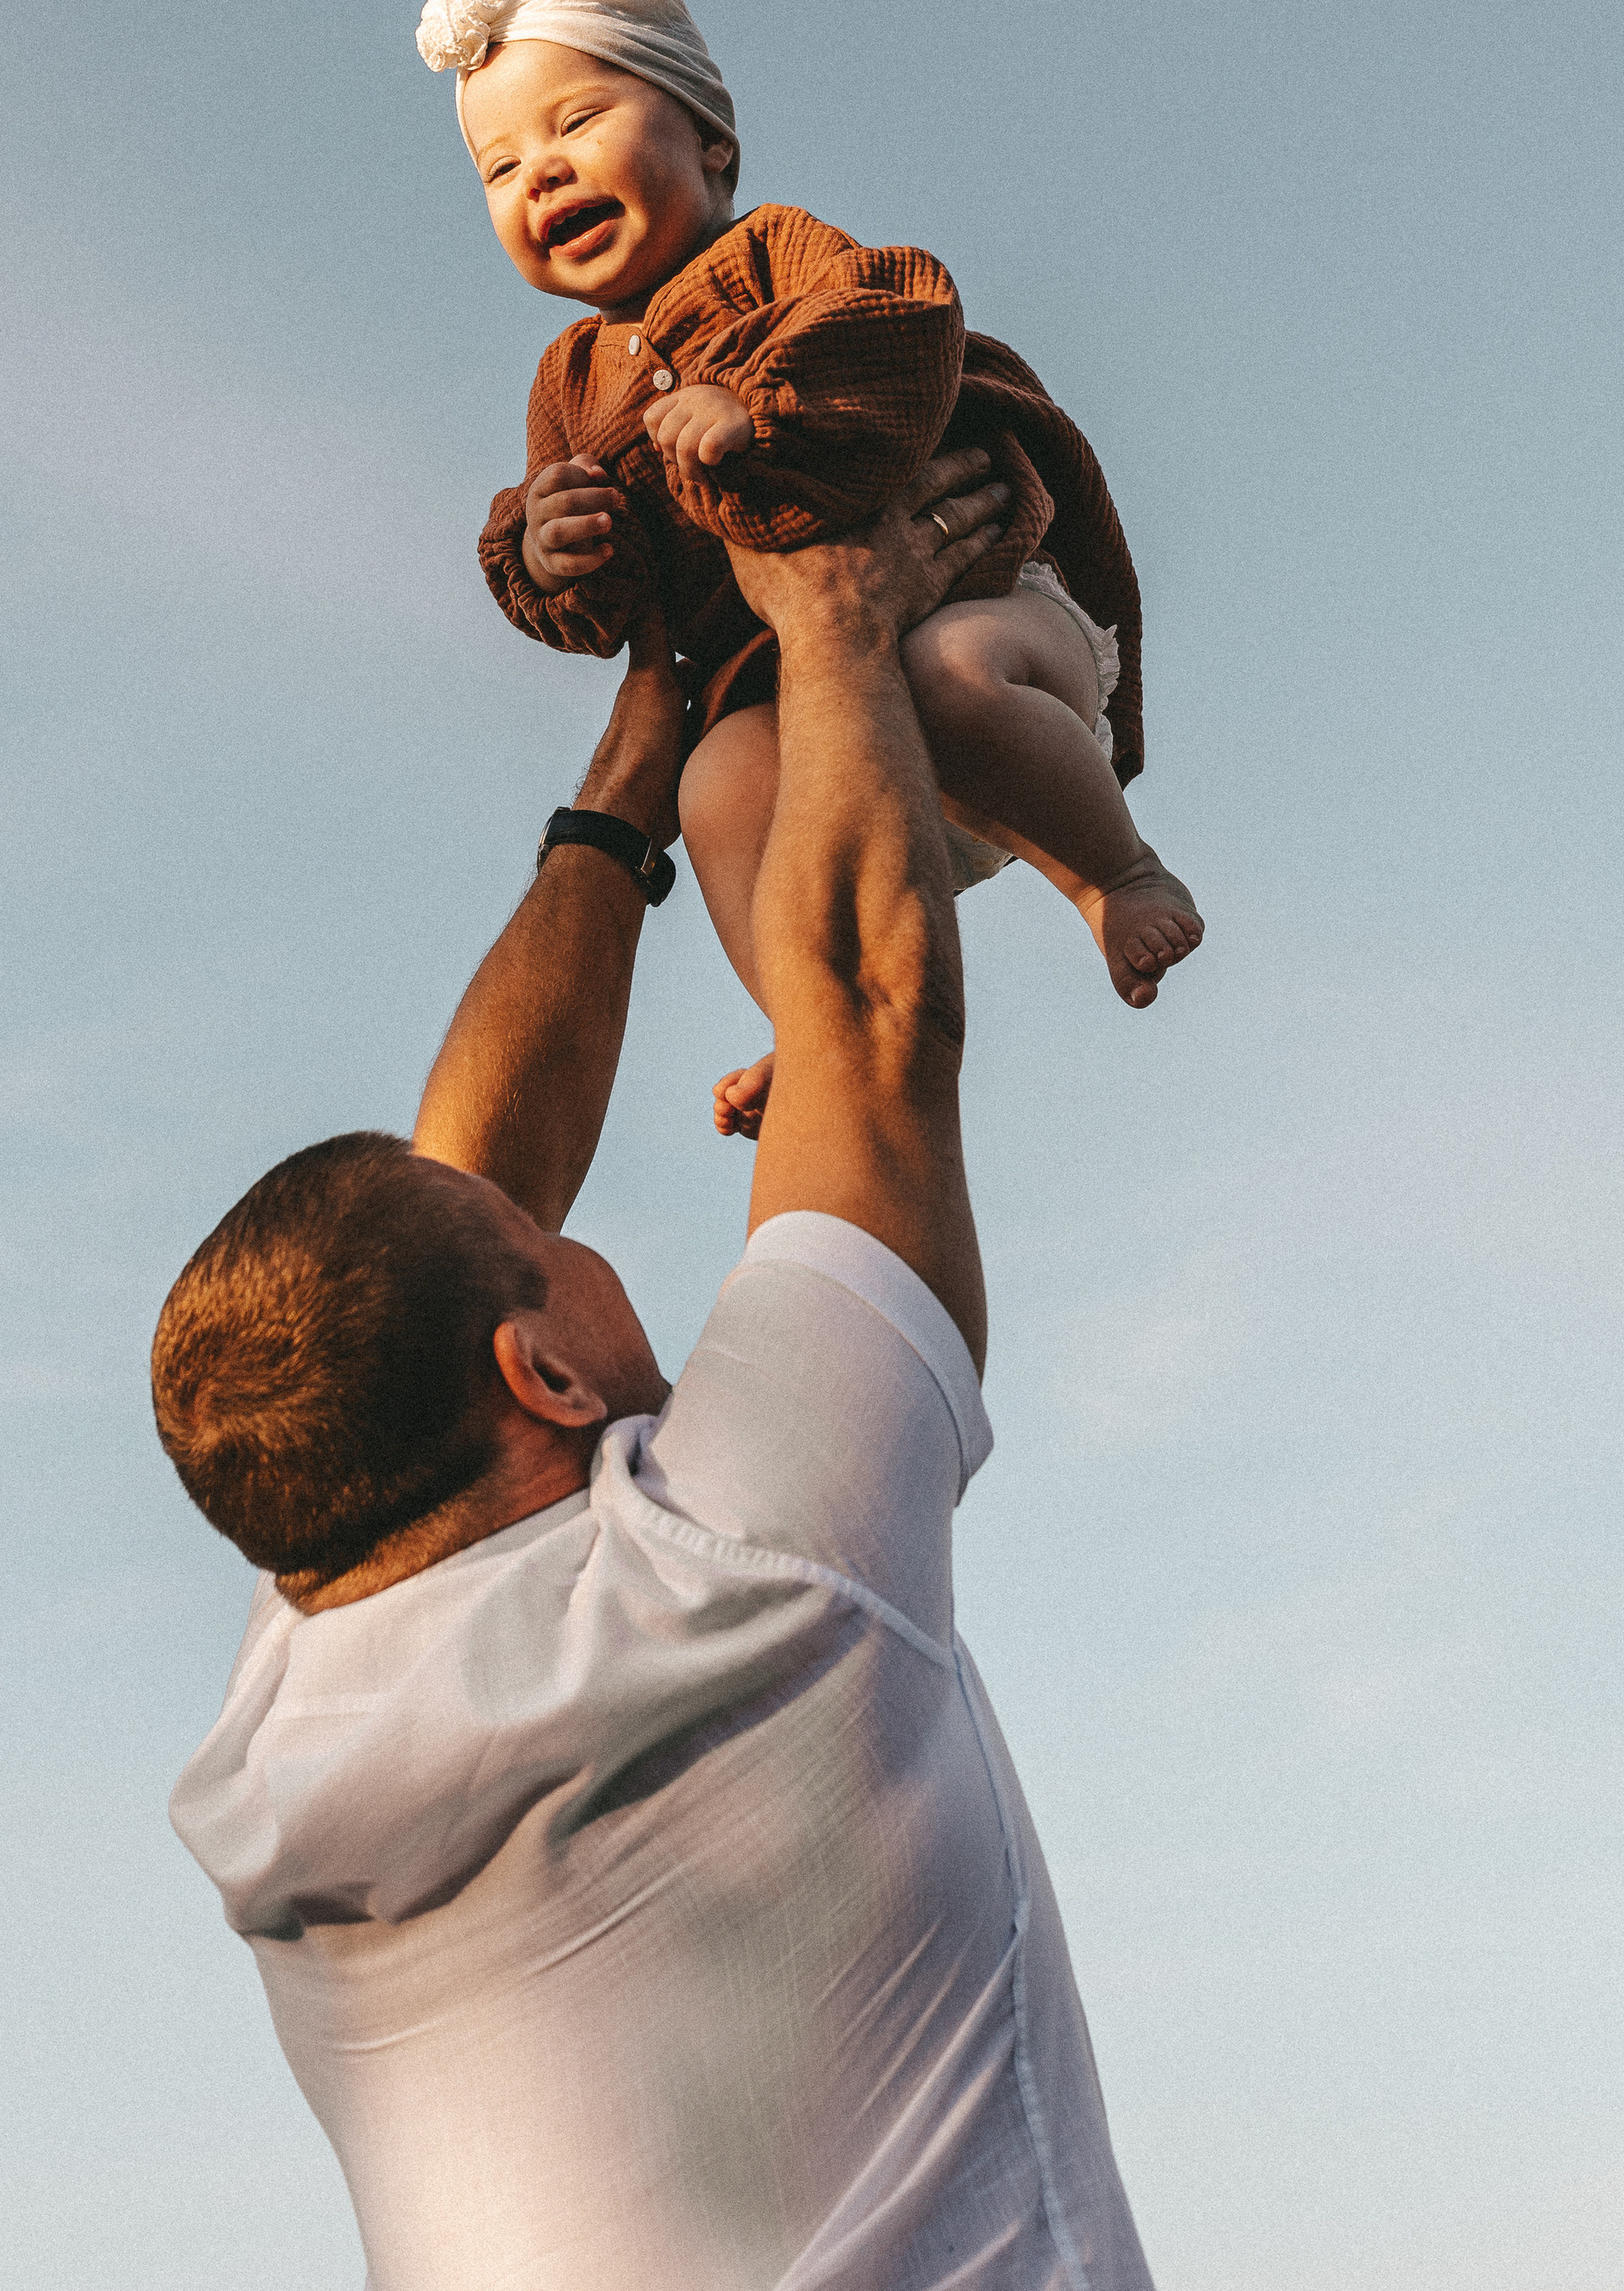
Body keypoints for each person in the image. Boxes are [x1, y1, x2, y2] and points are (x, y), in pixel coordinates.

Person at [153, 454, 1158, 2290]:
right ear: (538, 1372)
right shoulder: (745, 1576)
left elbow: (458, 1200)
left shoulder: (274, 1761)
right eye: (548, 1248)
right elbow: (868, 1009)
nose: (564, 1218)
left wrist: (634, 766)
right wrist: (832, 622)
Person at [417, 0, 1201, 1142]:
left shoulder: (774, 254)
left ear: (713, 146)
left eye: (576, 122)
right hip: (799, 711)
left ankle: (1114, 873)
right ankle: (812, 1008)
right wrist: (550, 547)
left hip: (978, 606)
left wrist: (763, 402)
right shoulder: (567, 384)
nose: (543, 172)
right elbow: (604, 596)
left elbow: (900, 318)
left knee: (947, 672)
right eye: (501, 166)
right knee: (714, 787)